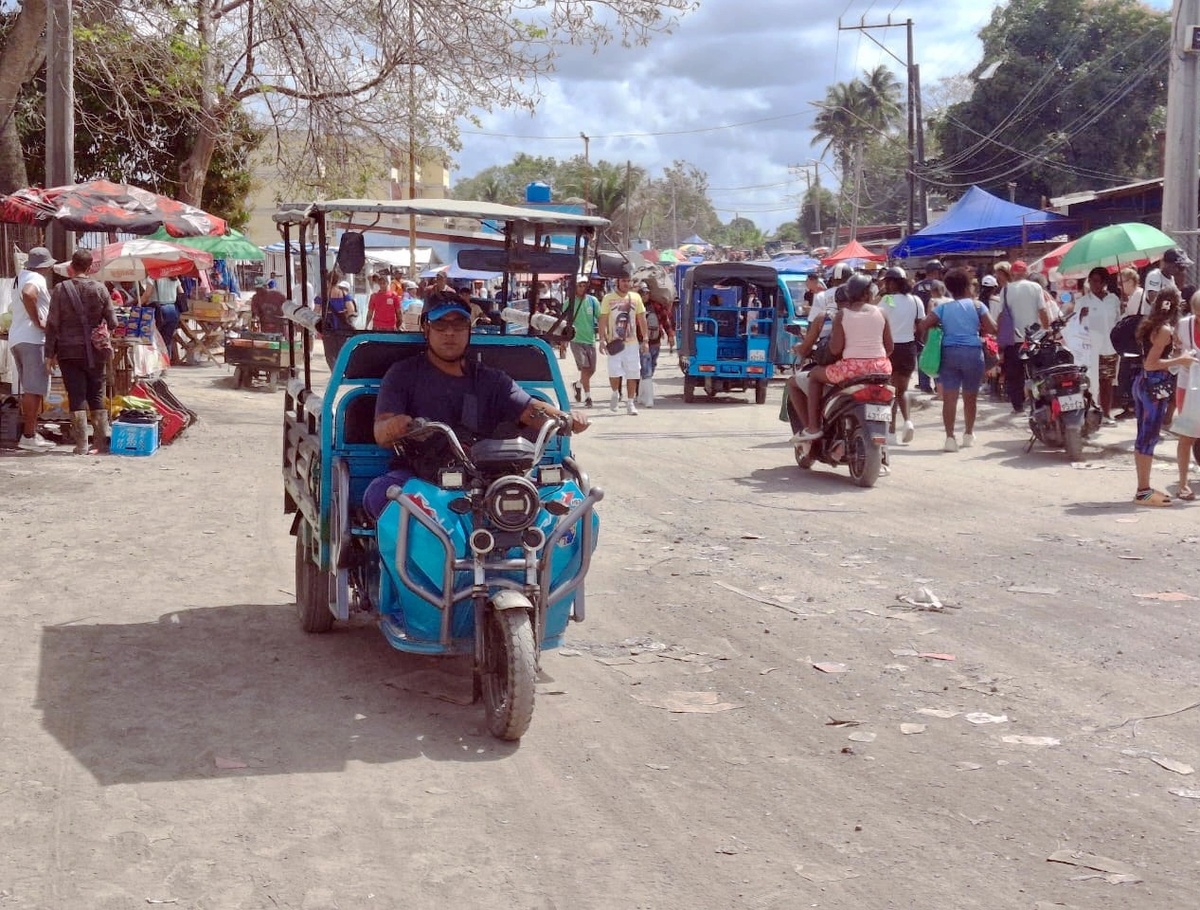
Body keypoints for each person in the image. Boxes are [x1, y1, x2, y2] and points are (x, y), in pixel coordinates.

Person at [362, 291, 589, 520]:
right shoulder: (403, 374)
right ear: (426, 328)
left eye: (459, 324)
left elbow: (530, 409)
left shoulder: (491, 379)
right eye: (440, 324)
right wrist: (400, 425)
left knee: (568, 500)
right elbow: (381, 432)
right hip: (422, 478)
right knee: (380, 494)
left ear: (469, 329)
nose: (450, 333)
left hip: (486, 478)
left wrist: (565, 418)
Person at [796, 273, 893, 442]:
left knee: (814, 375)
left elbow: (835, 349)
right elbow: (889, 348)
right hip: (882, 368)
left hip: (852, 371)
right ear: (866, 294)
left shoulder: (842, 315)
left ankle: (813, 427)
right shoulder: (881, 312)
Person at [44, 249, 117, 455]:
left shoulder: (60, 289)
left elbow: (52, 324)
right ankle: (101, 443)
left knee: (76, 394)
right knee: (96, 393)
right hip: (96, 352)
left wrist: (48, 355)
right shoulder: (100, 289)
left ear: (71, 267)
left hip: (68, 351)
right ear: (90, 267)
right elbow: (113, 321)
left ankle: (82, 445)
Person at [918, 266, 998, 452]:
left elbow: (923, 325)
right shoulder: (978, 306)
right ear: (967, 287)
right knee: (971, 397)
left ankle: (950, 438)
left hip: (949, 354)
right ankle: (968, 434)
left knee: (950, 398)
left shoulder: (943, 308)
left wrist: (938, 326)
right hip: (973, 353)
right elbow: (993, 328)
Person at [1131, 286, 1197, 506]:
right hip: (1154, 388)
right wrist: (1180, 360)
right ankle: (1143, 492)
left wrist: (1175, 352)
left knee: (1143, 437)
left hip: (1142, 384)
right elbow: (1151, 364)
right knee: (1148, 438)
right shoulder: (1165, 330)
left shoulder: (1153, 325)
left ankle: (1144, 488)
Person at [9, 247, 57, 451]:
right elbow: (29, 295)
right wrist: (38, 321)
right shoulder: (36, 279)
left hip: (17, 337)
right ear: (45, 266)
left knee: (30, 388)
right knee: (34, 389)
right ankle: (28, 435)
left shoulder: (19, 277)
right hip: (32, 338)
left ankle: (31, 432)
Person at [991, 260, 1050, 413]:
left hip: (1013, 339)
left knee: (1014, 375)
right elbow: (1042, 311)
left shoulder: (1005, 290)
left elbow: (1003, 314)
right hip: (1033, 338)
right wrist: (1047, 330)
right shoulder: (1036, 287)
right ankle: (1039, 403)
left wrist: (998, 334)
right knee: (1037, 373)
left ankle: (1018, 406)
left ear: (1012, 273)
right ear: (1026, 272)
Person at [878, 266, 924, 443]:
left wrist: (881, 295)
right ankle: (908, 421)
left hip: (888, 348)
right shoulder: (915, 300)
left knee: (888, 389)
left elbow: (877, 319)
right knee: (902, 390)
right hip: (908, 347)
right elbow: (920, 325)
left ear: (891, 282)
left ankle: (890, 430)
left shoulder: (887, 300)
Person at [1072, 267, 1121, 422]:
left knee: (1107, 382)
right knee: (1090, 382)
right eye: (1091, 281)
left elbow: (1118, 322)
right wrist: (1080, 315)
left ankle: (1106, 413)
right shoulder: (1083, 302)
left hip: (1110, 347)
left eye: (1097, 281)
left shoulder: (1113, 299)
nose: (1094, 284)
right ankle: (1088, 414)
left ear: (1105, 282)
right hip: (1090, 349)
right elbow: (1074, 325)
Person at [598, 274, 649, 416]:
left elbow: (642, 319)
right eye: (624, 281)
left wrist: (645, 340)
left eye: (628, 281)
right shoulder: (608, 298)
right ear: (617, 282)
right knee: (614, 372)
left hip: (632, 343)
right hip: (614, 343)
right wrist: (601, 339)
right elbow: (603, 319)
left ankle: (630, 402)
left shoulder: (635, 298)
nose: (626, 284)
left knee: (633, 373)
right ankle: (615, 393)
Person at [1172, 291, 1200, 501]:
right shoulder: (1183, 326)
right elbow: (1175, 352)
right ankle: (1183, 484)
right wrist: (1182, 357)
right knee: (1186, 436)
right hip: (1188, 386)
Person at [566, 277, 600, 407]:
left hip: (590, 340)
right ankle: (588, 397)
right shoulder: (569, 302)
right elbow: (565, 322)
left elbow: (600, 317)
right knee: (585, 368)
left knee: (592, 370)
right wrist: (564, 341)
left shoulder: (593, 301)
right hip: (576, 340)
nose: (582, 288)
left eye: (584, 285)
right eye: (579, 285)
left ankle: (578, 384)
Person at [638, 290, 676, 408]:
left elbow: (665, 321)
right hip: (642, 343)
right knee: (646, 368)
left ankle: (640, 394)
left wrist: (670, 335)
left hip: (656, 343)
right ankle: (649, 399)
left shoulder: (656, 306)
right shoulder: (636, 306)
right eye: (643, 294)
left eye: (647, 293)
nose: (645, 296)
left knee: (651, 366)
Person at [140, 274, 182, 365]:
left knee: (156, 338)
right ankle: (165, 363)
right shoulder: (174, 277)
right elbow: (181, 292)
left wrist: (138, 304)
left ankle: (156, 364)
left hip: (159, 310)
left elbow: (147, 294)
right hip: (173, 310)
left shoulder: (152, 277)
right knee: (167, 339)